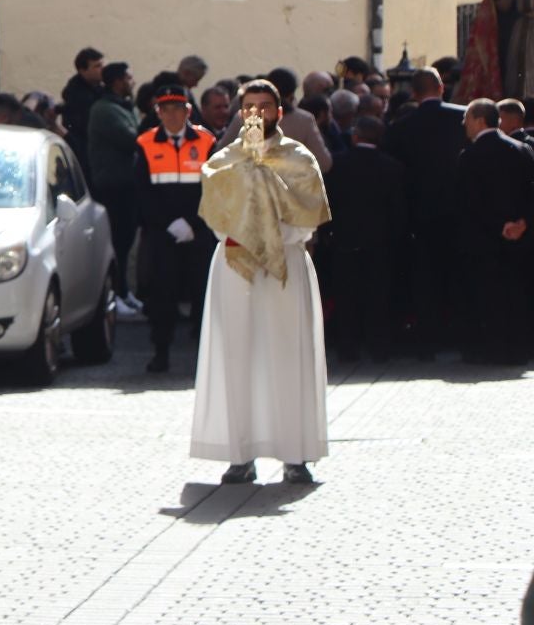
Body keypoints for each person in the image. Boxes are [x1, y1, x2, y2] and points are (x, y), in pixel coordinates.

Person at [192, 79, 332, 486]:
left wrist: (271, 223)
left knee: (290, 356)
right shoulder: (224, 161)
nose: (257, 113)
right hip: (236, 265)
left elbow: (307, 217)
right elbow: (216, 216)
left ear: (279, 111)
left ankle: (295, 454)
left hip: (285, 264)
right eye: (249, 106)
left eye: (265, 106)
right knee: (237, 357)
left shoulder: (299, 158)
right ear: (240, 112)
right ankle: (240, 454)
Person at [384, 66, 469, 359]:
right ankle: (460, 333)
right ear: (441, 87)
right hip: (460, 212)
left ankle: (429, 338)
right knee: (458, 274)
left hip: (418, 213)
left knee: (425, 278)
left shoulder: (401, 127)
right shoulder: (463, 118)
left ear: (414, 93)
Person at [132, 85, 216, 373]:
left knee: (203, 293)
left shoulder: (206, 141)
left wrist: (192, 224)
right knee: (161, 295)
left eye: (177, 108)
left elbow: (213, 189)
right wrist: (167, 224)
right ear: (158, 112)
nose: (171, 115)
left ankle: (208, 358)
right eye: (165, 109)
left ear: (188, 111)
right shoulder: (145, 143)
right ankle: (161, 352)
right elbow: (142, 192)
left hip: (199, 231)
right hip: (162, 233)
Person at [320, 117, 408, 363]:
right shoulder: (393, 167)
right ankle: (379, 348)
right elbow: (398, 210)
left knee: (346, 296)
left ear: (355, 136)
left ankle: (348, 348)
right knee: (378, 296)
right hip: (379, 243)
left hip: (344, 240)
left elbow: (328, 204)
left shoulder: (338, 165)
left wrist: (329, 234)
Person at [455, 99, 533, 364]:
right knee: (517, 293)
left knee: (486, 295)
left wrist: (499, 226)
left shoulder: (469, 157)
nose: (464, 124)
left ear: (479, 120)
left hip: (483, 239)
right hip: (519, 239)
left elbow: (470, 203)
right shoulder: (522, 150)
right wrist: (522, 223)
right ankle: (518, 348)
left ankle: (490, 349)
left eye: (467, 118)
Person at [88, 62, 141, 309]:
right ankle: (114, 295)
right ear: (118, 81)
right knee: (117, 242)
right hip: (112, 186)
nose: (132, 82)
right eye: (129, 78)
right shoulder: (106, 110)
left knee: (125, 240)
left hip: (127, 185)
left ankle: (124, 291)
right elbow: (132, 140)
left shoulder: (122, 107)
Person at [212, 68, 333, 173]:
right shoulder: (304, 120)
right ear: (292, 93)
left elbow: (218, 156)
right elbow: (324, 163)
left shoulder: (244, 117)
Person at [62, 49, 107, 178]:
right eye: (97, 66)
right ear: (83, 70)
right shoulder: (76, 95)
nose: (102, 69)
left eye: (102, 65)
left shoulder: (100, 88)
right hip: (84, 152)